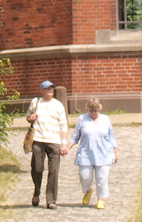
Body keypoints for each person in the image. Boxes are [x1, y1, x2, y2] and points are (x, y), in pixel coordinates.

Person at [63, 98, 118, 209]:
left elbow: (111, 138)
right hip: (86, 153)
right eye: (91, 110)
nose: (94, 113)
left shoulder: (106, 119)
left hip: (103, 153)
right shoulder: (82, 119)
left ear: (99, 109)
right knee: (85, 176)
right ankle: (88, 191)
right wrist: (67, 147)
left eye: (96, 110)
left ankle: (100, 199)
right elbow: (75, 137)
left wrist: (115, 152)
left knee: (101, 177)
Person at [27, 80, 66, 209]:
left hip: (54, 141)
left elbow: (63, 125)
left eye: (52, 88)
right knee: (37, 168)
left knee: (54, 171)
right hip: (38, 140)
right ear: (41, 90)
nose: (50, 90)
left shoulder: (58, 105)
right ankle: (37, 191)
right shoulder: (36, 102)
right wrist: (30, 118)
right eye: (47, 88)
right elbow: (28, 117)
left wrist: (64, 142)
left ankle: (51, 200)